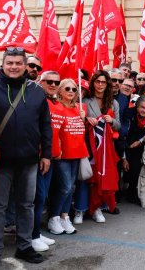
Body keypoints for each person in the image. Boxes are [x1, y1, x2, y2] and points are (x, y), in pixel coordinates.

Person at [0, 48, 52, 269]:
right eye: (10, 62)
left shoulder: (37, 91)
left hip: (29, 160)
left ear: (24, 65)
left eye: (18, 63)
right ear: (3, 63)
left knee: (26, 206)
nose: (14, 67)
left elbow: (45, 125)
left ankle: (24, 245)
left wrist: (46, 154)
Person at [46, 79, 88, 238]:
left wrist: (83, 119)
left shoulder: (80, 107)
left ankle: (64, 216)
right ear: (60, 90)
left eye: (74, 89)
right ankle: (54, 217)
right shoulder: (56, 107)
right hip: (63, 153)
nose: (71, 91)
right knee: (64, 187)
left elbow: (81, 130)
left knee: (72, 187)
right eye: (67, 88)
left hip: (78, 152)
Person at [82, 70, 121, 223]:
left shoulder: (113, 102)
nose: (100, 85)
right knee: (90, 178)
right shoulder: (85, 101)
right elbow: (80, 121)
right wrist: (87, 119)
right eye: (97, 82)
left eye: (103, 82)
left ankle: (98, 207)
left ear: (107, 84)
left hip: (107, 149)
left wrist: (111, 120)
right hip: (89, 145)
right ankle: (83, 208)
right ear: (93, 83)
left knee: (104, 177)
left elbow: (119, 126)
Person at [31, 71, 61, 251]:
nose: (52, 84)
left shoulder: (52, 102)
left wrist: (49, 154)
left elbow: (50, 130)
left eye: (55, 82)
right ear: (40, 82)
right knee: (37, 198)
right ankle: (31, 236)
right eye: (48, 81)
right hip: (33, 157)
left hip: (47, 157)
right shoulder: (35, 100)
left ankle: (35, 233)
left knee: (41, 199)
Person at [120, 96, 145, 204]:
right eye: (142, 107)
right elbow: (123, 135)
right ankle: (118, 192)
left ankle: (131, 191)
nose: (144, 110)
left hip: (137, 144)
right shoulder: (128, 114)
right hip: (123, 143)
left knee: (134, 169)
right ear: (137, 106)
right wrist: (124, 157)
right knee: (122, 166)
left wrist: (140, 141)